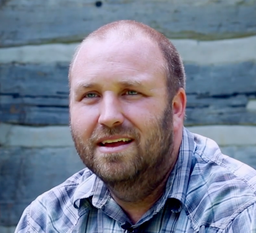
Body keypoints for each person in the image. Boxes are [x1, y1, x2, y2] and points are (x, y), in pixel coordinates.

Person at [15, 20, 256, 233]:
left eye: (131, 92)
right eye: (90, 95)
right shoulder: (47, 222)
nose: (108, 117)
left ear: (175, 107)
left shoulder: (241, 213)